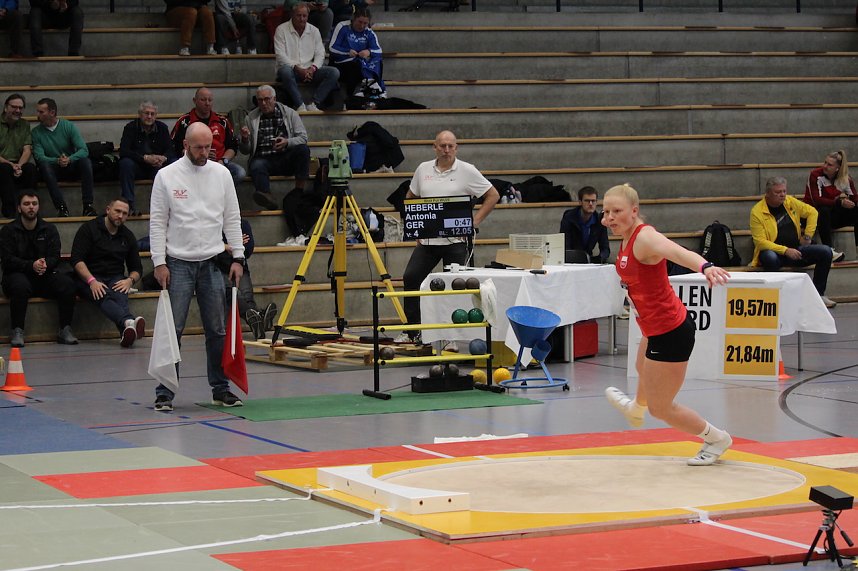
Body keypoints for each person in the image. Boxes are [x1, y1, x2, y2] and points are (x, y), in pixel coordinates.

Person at [601, 183, 732, 466]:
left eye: (616, 211)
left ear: (634, 211)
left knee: (661, 408)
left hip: (671, 331)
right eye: (606, 211)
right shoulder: (624, 238)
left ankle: (716, 438)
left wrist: (705, 267)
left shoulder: (645, 238)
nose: (609, 218)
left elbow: (677, 252)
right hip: (651, 326)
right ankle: (636, 409)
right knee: (641, 369)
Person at [149, 122, 245, 412]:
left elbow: (232, 216)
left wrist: (238, 257)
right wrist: (159, 261)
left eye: (209, 147)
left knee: (216, 329)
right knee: (172, 329)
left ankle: (220, 388)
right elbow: (157, 222)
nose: (205, 153)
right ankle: (164, 391)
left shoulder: (222, 174)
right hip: (177, 262)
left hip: (213, 261)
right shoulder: (166, 176)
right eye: (199, 147)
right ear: (185, 146)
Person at [399, 130, 499, 344]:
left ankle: (450, 336)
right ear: (434, 147)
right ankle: (412, 331)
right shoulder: (422, 169)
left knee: (455, 286)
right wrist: (415, 226)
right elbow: (410, 197)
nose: (446, 150)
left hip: (456, 242)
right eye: (442, 146)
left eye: (450, 146)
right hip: (428, 242)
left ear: (456, 147)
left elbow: (493, 195)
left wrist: (475, 222)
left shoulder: (467, 170)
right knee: (411, 278)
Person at [0, 192, 78, 348]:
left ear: (38, 207)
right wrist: (31, 265)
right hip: (16, 276)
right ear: (19, 208)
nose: (31, 207)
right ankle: (17, 330)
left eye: (34, 204)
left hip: (43, 276)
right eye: (26, 204)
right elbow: (7, 260)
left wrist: (45, 265)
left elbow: (55, 256)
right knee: (20, 285)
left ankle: (65, 329)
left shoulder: (49, 229)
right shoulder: (8, 230)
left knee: (67, 284)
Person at [71, 197, 146, 347]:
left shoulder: (128, 236)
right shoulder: (89, 229)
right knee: (102, 294)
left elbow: (137, 268)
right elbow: (77, 260)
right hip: (89, 276)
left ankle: (126, 331)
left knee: (120, 293)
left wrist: (129, 280)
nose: (120, 216)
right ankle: (129, 321)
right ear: (107, 210)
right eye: (117, 211)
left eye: (124, 213)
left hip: (115, 276)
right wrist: (91, 281)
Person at [752, 176, 836, 308]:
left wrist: (807, 236)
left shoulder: (790, 201)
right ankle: (773, 296)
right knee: (769, 256)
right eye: (778, 192)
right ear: (768, 193)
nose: (782, 195)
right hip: (775, 252)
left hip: (796, 249)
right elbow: (760, 242)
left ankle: (818, 294)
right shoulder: (757, 211)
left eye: (784, 191)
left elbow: (812, 212)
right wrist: (785, 251)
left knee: (825, 252)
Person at [239, 84, 310, 211]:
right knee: (256, 165)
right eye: (260, 100)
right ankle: (266, 196)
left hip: (286, 157)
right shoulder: (250, 118)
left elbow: (303, 138)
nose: (264, 103)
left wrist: (287, 142)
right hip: (264, 159)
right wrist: (244, 139)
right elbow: (246, 151)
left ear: (274, 99)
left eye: (267, 99)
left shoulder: (290, 114)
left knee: (303, 150)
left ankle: (299, 190)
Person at [30, 97, 94, 217]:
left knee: (85, 162)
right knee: (44, 166)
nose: (37, 115)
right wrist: (57, 160)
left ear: (52, 112)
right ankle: (62, 207)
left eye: (41, 112)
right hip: (53, 169)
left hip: (70, 166)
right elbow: (39, 157)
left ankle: (88, 206)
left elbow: (83, 150)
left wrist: (69, 159)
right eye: (37, 111)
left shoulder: (68, 126)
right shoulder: (36, 132)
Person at [215, 217, 277, 339]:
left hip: (240, 265)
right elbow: (210, 249)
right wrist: (233, 245)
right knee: (232, 293)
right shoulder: (212, 224)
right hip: (217, 268)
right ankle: (259, 316)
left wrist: (226, 245)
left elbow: (248, 250)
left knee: (247, 295)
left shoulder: (243, 223)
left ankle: (256, 319)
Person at [171, 87, 245, 187]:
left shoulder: (222, 121)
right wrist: (199, 154)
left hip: (218, 163)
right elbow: (176, 147)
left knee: (240, 173)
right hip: (192, 163)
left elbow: (232, 147)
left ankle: (216, 194)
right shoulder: (184, 122)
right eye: (203, 100)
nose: (207, 103)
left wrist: (223, 160)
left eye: (210, 100)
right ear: (195, 101)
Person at [274, 3, 340, 112]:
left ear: (308, 16)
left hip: (310, 71)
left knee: (334, 72)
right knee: (285, 71)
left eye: (304, 16)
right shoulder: (281, 30)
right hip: (291, 71)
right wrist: (297, 69)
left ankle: (314, 103)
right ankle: (300, 105)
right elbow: (280, 55)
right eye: (298, 15)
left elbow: (320, 53)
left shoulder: (314, 30)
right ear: (292, 15)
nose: (301, 19)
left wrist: (313, 68)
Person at [118, 101, 176, 216]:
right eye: (146, 113)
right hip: (138, 166)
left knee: (173, 162)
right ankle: (129, 204)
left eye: (152, 114)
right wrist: (144, 158)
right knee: (125, 163)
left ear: (156, 115)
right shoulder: (130, 127)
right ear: (140, 114)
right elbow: (124, 151)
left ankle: (170, 206)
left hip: (157, 167)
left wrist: (163, 158)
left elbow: (171, 149)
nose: (149, 116)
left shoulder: (162, 128)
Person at [803, 150, 857, 262]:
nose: (825, 166)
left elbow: (854, 198)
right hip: (812, 216)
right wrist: (840, 203)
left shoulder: (845, 179)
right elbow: (817, 200)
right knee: (823, 210)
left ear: (838, 168)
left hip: (830, 215)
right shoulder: (816, 175)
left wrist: (851, 204)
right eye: (825, 162)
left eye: (829, 164)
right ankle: (829, 250)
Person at [329, 7, 384, 99]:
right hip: (340, 64)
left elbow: (379, 51)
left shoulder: (369, 32)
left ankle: (376, 91)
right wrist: (347, 52)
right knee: (355, 65)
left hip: (359, 65)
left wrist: (369, 51)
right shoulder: (342, 26)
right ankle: (351, 97)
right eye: (360, 22)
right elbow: (332, 48)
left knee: (378, 62)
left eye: (365, 23)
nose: (362, 26)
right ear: (353, 18)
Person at [0, 94, 37, 218]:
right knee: (5, 169)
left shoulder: (24, 124)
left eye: (20, 108)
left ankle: (29, 209)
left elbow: (27, 149)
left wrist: (19, 166)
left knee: (30, 168)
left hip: (17, 163)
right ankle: (10, 212)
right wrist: (11, 165)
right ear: (6, 108)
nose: (18, 110)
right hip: (3, 165)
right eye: (14, 107)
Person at [559, 185, 609, 263]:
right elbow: (565, 244)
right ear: (580, 202)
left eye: (593, 201)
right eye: (587, 201)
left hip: (588, 260)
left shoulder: (600, 220)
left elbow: (605, 248)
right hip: (571, 260)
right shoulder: (569, 217)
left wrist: (600, 259)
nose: (590, 204)